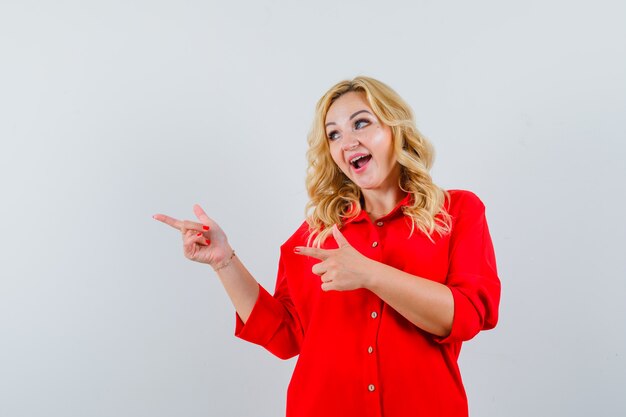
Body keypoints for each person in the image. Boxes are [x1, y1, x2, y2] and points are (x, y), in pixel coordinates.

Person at [153, 76, 501, 417]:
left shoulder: (457, 212)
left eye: (360, 124)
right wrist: (223, 261)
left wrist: (369, 274)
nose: (346, 141)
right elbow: (284, 335)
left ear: (396, 129)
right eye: (333, 134)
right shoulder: (318, 233)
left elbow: (467, 316)